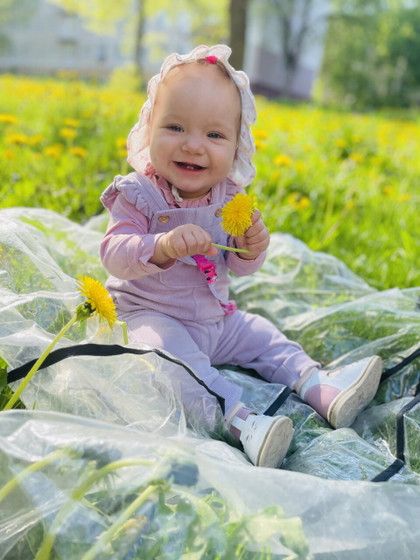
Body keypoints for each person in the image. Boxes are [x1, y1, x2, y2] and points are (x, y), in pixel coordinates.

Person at [100, 44, 382, 468]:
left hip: (217, 320)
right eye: (175, 127)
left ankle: (319, 386)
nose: (194, 146)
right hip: (150, 315)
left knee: (263, 335)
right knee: (175, 363)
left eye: (214, 135)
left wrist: (253, 247)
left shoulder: (229, 199)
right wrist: (160, 247)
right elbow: (112, 253)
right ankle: (240, 421)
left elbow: (238, 265)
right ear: (148, 129)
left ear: (235, 148)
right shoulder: (138, 194)